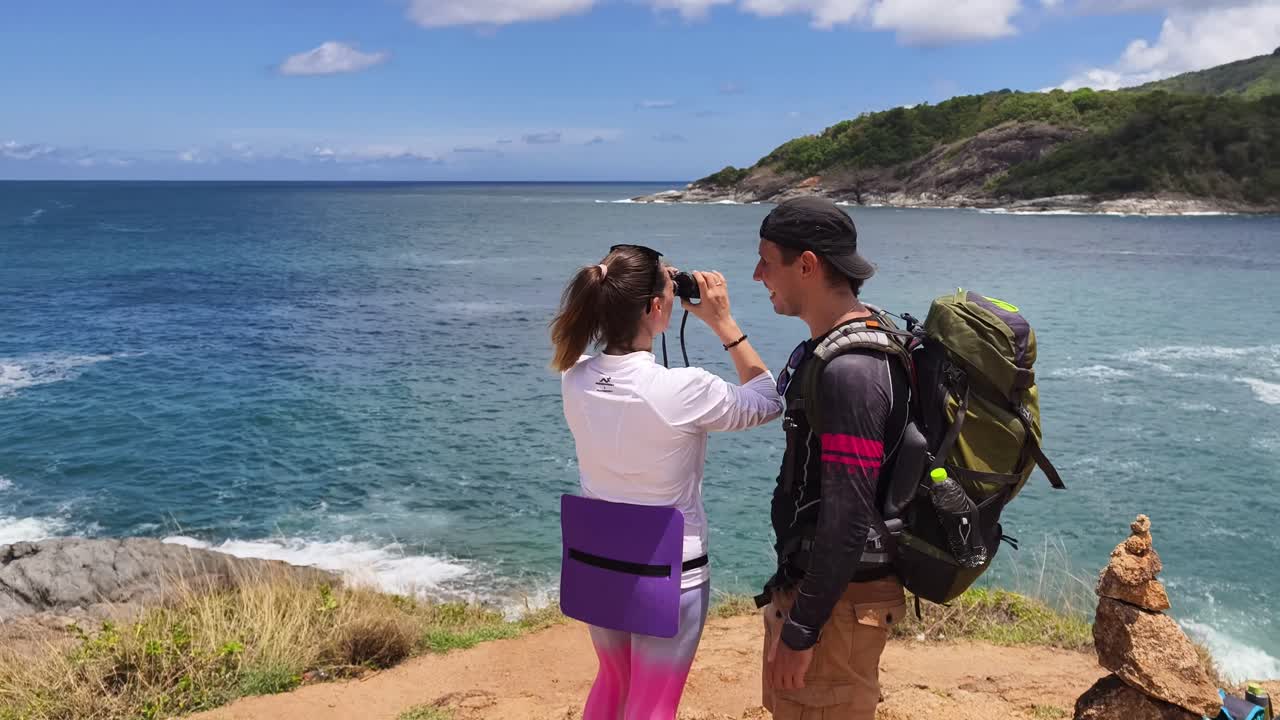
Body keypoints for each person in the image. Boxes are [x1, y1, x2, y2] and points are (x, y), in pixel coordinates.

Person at [551, 244, 784, 720]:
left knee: (613, 681)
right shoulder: (684, 389)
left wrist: (652, 283)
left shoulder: (573, 378)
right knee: (652, 704)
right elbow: (769, 398)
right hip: (666, 571)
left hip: (595, 558)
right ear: (657, 308)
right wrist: (723, 322)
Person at [752, 198, 910, 720]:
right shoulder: (851, 344)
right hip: (830, 604)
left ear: (807, 265)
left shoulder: (851, 371)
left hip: (836, 612)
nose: (758, 275)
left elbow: (848, 515)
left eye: (767, 261)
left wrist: (802, 629)